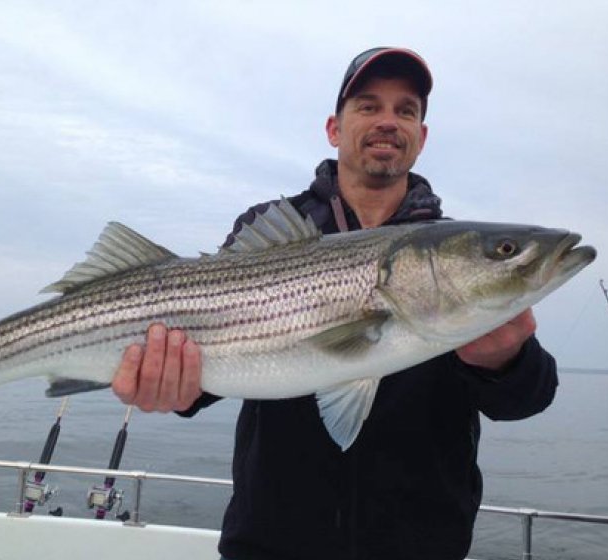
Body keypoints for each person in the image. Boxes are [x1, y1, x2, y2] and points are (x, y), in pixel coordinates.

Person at [111, 47, 558, 560]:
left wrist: (507, 362)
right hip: (271, 544)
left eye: (405, 110)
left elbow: (529, 398)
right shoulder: (269, 229)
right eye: (368, 106)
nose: (388, 121)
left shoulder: (455, 255)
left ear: (422, 137)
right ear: (334, 128)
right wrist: (170, 388)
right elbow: (211, 372)